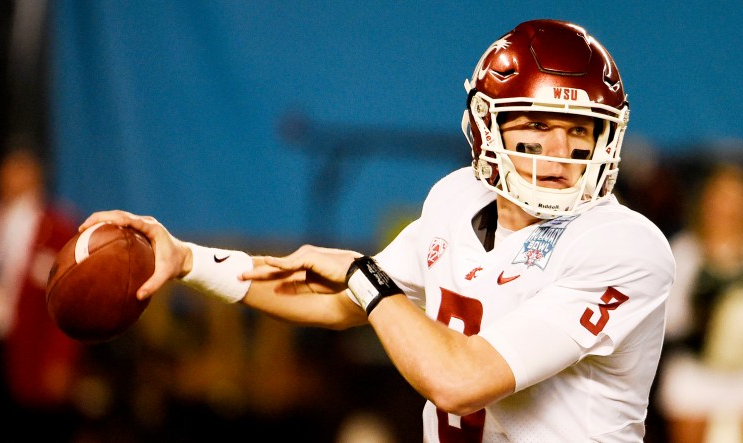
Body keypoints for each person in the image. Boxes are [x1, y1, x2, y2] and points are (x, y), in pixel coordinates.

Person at [80, 19, 675, 442]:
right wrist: (188, 260)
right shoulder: (455, 197)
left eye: (580, 131)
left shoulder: (625, 247)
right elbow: (342, 299)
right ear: (485, 129)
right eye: (538, 127)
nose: (561, 151)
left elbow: (459, 380)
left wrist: (364, 277)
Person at [0, 141, 84, 440]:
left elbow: (69, 301)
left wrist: (61, 359)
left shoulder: (56, 229)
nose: (12, 178)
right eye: (7, 170)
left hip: (29, 347)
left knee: (32, 425)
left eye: (21, 170)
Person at [656, 163, 743, 443]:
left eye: (735, 198)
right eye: (720, 197)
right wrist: (700, 320)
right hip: (693, 372)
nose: (727, 208)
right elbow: (666, 320)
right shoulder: (685, 251)